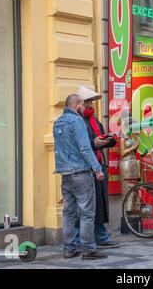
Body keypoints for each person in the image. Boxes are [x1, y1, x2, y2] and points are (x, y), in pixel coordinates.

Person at [53, 94, 107, 260]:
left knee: (69, 213)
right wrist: (97, 169)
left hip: (65, 174)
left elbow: (59, 149)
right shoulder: (77, 122)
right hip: (81, 174)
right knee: (86, 213)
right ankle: (89, 249)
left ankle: (69, 248)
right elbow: (85, 148)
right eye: (82, 104)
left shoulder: (58, 122)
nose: (84, 107)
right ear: (76, 104)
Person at [74, 86, 120, 249]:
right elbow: (80, 146)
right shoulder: (77, 121)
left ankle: (101, 236)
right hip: (86, 167)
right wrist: (94, 144)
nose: (90, 105)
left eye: (91, 101)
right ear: (79, 103)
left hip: (98, 165)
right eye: (87, 101)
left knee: (100, 204)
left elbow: (98, 139)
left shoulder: (94, 120)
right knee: (87, 205)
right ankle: (82, 240)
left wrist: (109, 140)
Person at [119, 119, 140, 232]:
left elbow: (136, 151)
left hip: (133, 162)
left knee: (135, 187)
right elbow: (122, 153)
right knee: (127, 186)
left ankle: (134, 210)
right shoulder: (123, 137)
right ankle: (127, 211)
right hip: (126, 163)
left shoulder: (134, 137)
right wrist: (134, 147)